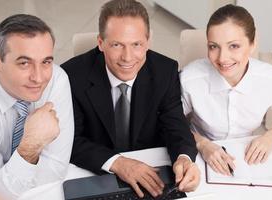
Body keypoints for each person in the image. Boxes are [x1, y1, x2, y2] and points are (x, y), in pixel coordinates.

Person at [61, 0, 200, 198]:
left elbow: (176, 126)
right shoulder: (72, 75)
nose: (127, 57)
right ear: (101, 43)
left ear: (148, 41)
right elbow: (70, 141)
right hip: (95, 174)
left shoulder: (165, 71)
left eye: (136, 44)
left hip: (150, 174)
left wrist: (185, 158)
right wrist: (118, 163)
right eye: (117, 45)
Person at [0, 14, 74, 198]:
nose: (38, 78)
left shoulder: (56, 79)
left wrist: (11, 182)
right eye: (24, 63)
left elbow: (56, 169)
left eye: (46, 62)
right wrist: (30, 146)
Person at [180, 4, 272, 176]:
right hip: (199, 153)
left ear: (252, 44)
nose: (222, 58)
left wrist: (270, 137)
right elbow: (170, 123)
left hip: (248, 156)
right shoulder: (190, 78)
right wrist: (202, 144)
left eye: (233, 46)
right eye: (213, 46)